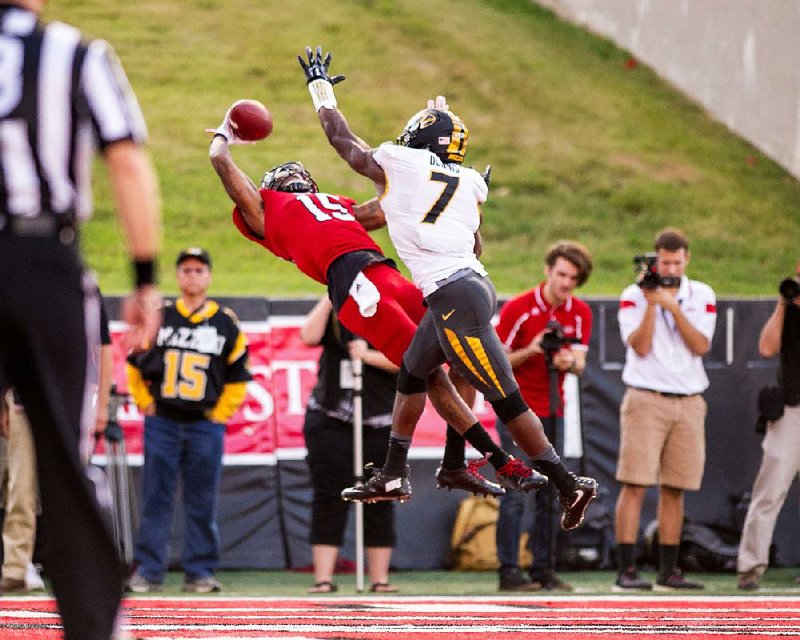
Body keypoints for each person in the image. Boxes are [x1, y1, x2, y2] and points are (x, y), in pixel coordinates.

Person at [297, 46, 597, 532]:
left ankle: (567, 483)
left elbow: (342, 140)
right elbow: (471, 237)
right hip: (464, 287)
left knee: (506, 398)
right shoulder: (469, 182)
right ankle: (396, 471)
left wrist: (319, 87)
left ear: (416, 139)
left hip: (455, 296)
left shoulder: (402, 163)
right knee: (413, 372)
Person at [209, 109, 544, 500]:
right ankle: (501, 460)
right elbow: (221, 162)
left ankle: (455, 461)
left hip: (384, 273)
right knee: (426, 373)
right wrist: (224, 135)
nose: (294, 177)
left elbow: (396, 202)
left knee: (460, 354)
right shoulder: (268, 213)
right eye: (285, 177)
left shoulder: (336, 205)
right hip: (355, 287)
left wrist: (449, 172)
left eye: (297, 173)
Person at [0, 2, 161, 638]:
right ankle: (95, 626)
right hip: (44, 261)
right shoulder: (74, 52)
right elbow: (126, 160)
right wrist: (144, 279)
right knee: (64, 462)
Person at [125, 248, 251, 594]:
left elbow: (239, 375)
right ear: (177, 276)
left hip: (203, 425)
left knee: (202, 499)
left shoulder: (225, 322)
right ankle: (149, 570)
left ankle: (200, 571)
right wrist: (145, 403)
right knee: (156, 496)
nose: (191, 276)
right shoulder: (160, 316)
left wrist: (219, 414)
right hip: (163, 421)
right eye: (185, 270)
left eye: (198, 270)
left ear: (208, 276)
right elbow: (134, 363)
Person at [614, 228, 716, 590]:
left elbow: (700, 345)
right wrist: (653, 304)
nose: (670, 268)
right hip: (646, 397)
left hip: (688, 400)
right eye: (665, 261)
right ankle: (627, 570)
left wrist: (673, 306)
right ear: (656, 259)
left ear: (686, 259)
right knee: (636, 482)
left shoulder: (701, 294)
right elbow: (639, 346)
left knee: (676, 487)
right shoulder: (633, 295)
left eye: (676, 261)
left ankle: (668, 570)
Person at [489, 241, 593, 592]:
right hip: (517, 411)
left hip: (554, 408)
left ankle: (544, 569)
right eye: (561, 274)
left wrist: (568, 362)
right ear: (548, 270)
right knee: (516, 490)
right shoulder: (519, 307)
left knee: (554, 492)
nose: (565, 283)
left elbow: (580, 360)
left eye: (573, 278)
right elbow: (496, 361)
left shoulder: (580, 312)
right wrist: (531, 350)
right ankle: (509, 571)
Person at [302, 297, 399, 593]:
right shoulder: (336, 310)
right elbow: (308, 336)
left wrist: (368, 356)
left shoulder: (392, 311)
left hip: (379, 419)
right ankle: (323, 578)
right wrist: (331, 295)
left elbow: (408, 359)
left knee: (381, 495)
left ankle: (379, 579)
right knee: (329, 494)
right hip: (331, 416)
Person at [736, 264, 800, 590]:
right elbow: (766, 346)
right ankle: (750, 568)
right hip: (791, 409)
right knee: (769, 492)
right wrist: (783, 304)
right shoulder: (789, 308)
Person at [0, 387, 45, 594]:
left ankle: (76, 564)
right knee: (21, 486)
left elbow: (101, 354)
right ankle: (16, 567)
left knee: (69, 491)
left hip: (66, 392)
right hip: (22, 398)